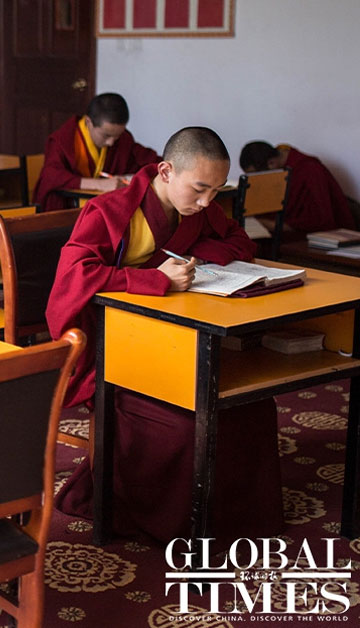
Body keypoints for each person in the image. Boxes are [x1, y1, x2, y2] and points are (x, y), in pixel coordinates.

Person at [46, 126, 282, 542]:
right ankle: (167, 524)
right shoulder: (109, 210)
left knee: (249, 404)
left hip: (178, 334)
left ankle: (233, 522)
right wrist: (154, 279)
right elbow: (72, 279)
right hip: (117, 346)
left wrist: (195, 259)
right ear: (167, 171)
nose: (209, 202)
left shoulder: (199, 207)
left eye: (217, 191)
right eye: (200, 189)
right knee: (187, 421)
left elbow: (238, 241)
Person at [34, 93, 160, 212]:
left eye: (116, 136)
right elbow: (51, 177)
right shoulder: (64, 140)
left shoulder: (122, 139)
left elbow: (148, 160)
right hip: (69, 209)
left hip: (104, 207)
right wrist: (100, 184)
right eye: (106, 135)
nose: (111, 142)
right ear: (89, 122)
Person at [239, 141, 356, 233]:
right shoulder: (280, 167)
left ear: (271, 163)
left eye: (256, 175)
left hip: (319, 237)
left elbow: (321, 219)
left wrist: (274, 225)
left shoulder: (310, 169)